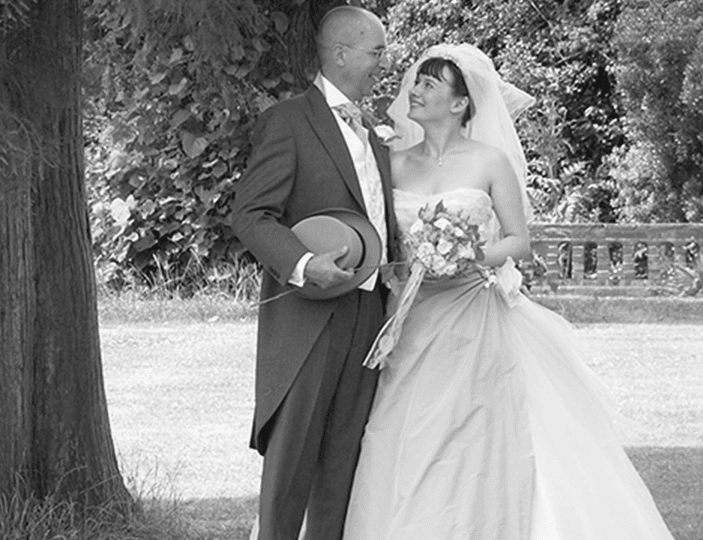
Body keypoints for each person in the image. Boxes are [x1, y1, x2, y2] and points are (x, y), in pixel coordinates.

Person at [342, 43, 676, 539]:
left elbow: (518, 241)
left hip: (470, 312)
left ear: (459, 104)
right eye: (416, 82)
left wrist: (468, 257)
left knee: (468, 427)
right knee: (398, 426)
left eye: (429, 84)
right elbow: (379, 230)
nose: (414, 90)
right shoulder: (392, 161)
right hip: (409, 314)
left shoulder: (489, 161)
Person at [231, 6, 399, 540]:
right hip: (309, 319)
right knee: (292, 464)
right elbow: (252, 214)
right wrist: (303, 265)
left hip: (370, 315)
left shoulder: (376, 132)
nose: (382, 62)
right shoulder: (288, 120)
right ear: (342, 52)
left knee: (344, 464)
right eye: (376, 52)